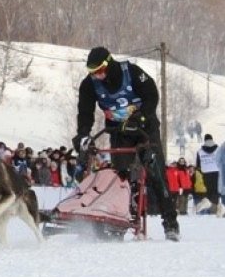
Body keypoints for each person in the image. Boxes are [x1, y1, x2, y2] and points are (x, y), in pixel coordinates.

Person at [73, 46, 180, 241]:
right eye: (92, 73)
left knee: (156, 174)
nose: (97, 76)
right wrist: (82, 135)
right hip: (118, 131)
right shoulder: (89, 85)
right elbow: (85, 113)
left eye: (99, 71)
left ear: (109, 63)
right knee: (119, 178)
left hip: (144, 128)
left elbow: (151, 94)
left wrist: (141, 117)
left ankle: (170, 223)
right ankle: (121, 220)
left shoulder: (131, 72)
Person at [194, 134, 220, 214]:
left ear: (205, 141)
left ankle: (208, 204)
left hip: (205, 172)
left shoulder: (200, 151)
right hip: (216, 172)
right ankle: (215, 208)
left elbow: (198, 165)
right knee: (216, 190)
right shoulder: (218, 149)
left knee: (208, 190)